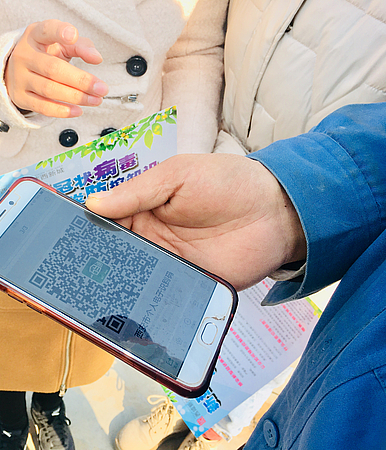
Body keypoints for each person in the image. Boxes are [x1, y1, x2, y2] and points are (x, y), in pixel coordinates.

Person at [0, 0, 229, 448]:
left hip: (121, 202)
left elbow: (194, 52)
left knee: (72, 340)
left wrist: (182, 162)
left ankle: (49, 408)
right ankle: (10, 422)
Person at [111, 0, 386, 447]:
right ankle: (186, 408)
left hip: (334, 237)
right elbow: (202, 43)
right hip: (227, 174)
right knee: (189, 341)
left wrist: (296, 205)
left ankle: (212, 428)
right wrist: (200, 161)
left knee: (267, 356)